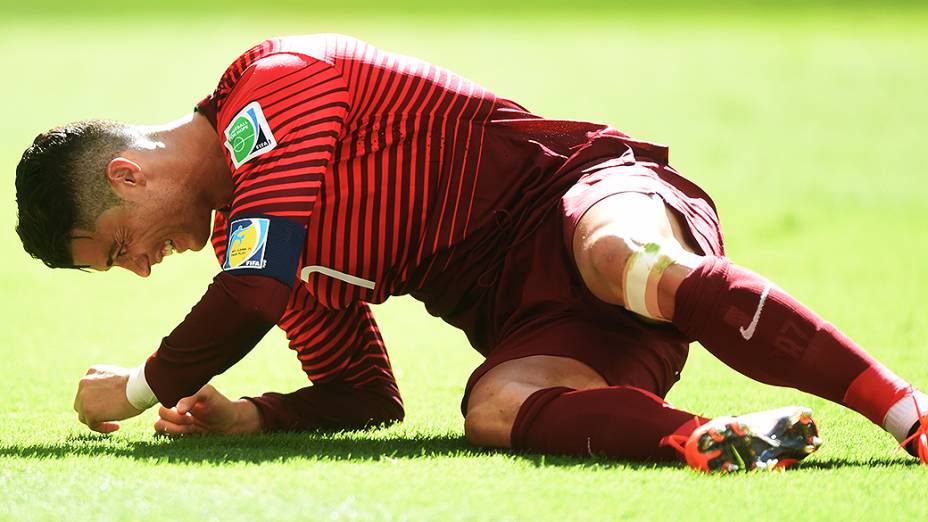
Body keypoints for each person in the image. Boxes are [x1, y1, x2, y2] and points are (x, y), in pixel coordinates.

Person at [14, 33, 927, 472]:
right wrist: (255, 415)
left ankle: (906, 413)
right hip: (537, 319)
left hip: (582, 194)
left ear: (128, 179)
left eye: (120, 248)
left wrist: (143, 387)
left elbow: (251, 288)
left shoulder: (276, 86)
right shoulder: (259, 240)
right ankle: (711, 441)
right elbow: (365, 395)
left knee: (622, 258)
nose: (141, 268)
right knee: (495, 407)